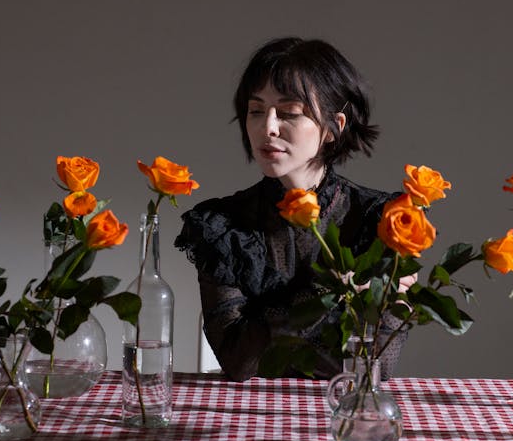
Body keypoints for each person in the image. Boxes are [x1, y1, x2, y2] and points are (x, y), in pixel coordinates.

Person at [175, 37, 410, 382]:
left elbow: (373, 366)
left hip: (344, 414)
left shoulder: (382, 219)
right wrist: (327, 293)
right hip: (241, 417)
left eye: (289, 113)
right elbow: (238, 361)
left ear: (334, 128)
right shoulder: (223, 226)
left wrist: (270, 325)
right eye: (256, 111)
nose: (267, 127)